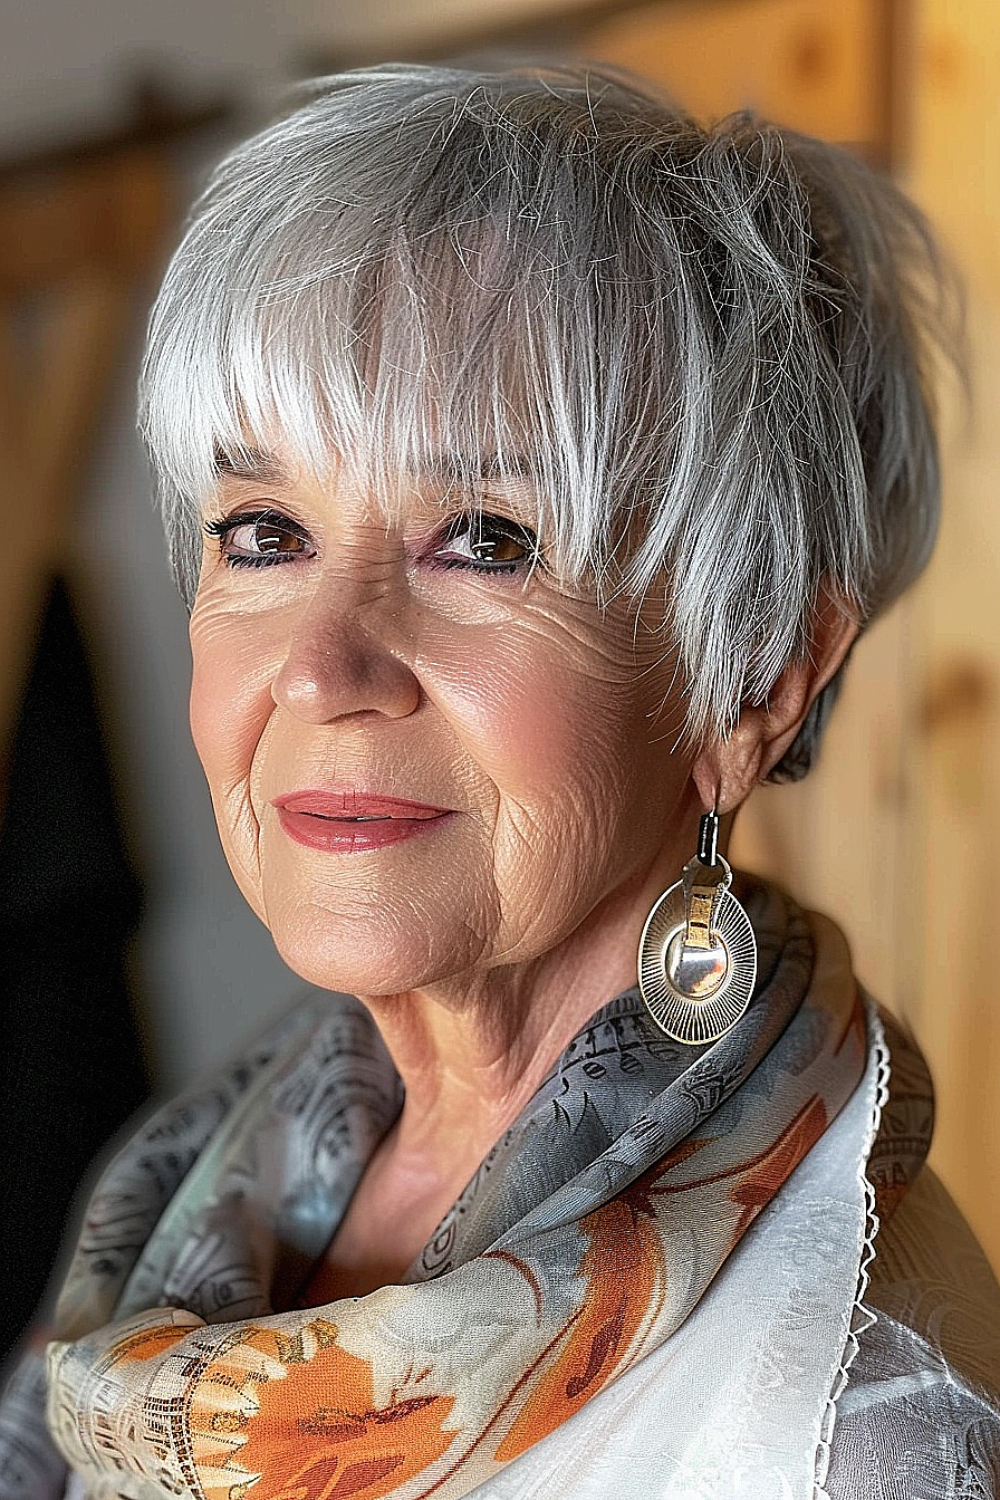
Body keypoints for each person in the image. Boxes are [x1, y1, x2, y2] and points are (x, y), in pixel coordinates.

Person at [3, 61, 999, 1500]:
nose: (324, 667)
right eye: (266, 530)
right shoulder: (201, 1171)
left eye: (485, 537)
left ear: (753, 680)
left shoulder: (857, 1434)